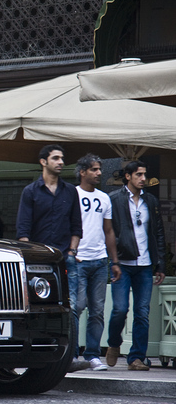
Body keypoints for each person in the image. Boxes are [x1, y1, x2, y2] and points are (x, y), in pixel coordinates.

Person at [16, 144, 83, 372]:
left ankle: (69, 358)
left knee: (71, 308)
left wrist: (72, 252)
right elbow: (23, 231)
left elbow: (77, 227)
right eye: (56, 158)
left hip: (65, 259)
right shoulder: (31, 192)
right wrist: (29, 259)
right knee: (38, 308)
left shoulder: (71, 191)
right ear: (43, 162)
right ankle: (35, 353)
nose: (61, 162)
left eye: (62, 158)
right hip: (38, 263)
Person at [106, 160, 166, 371]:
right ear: (128, 176)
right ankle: (113, 343)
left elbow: (158, 232)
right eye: (139, 175)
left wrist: (160, 265)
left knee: (142, 312)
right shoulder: (113, 199)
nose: (143, 179)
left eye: (145, 174)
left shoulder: (151, 200)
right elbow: (108, 232)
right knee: (120, 310)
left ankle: (136, 358)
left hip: (145, 264)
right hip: (122, 263)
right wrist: (112, 260)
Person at [72, 154, 121, 371]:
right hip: (79, 260)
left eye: (100, 169)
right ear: (82, 172)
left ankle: (92, 355)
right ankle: (72, 354)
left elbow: (108, 230)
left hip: (100, 260)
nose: (99, 173)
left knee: (98, 310)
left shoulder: (104, 198)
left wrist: (114, 261)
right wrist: (70, 253)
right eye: (94, 169)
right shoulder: (72, 194)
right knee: (77, 307)